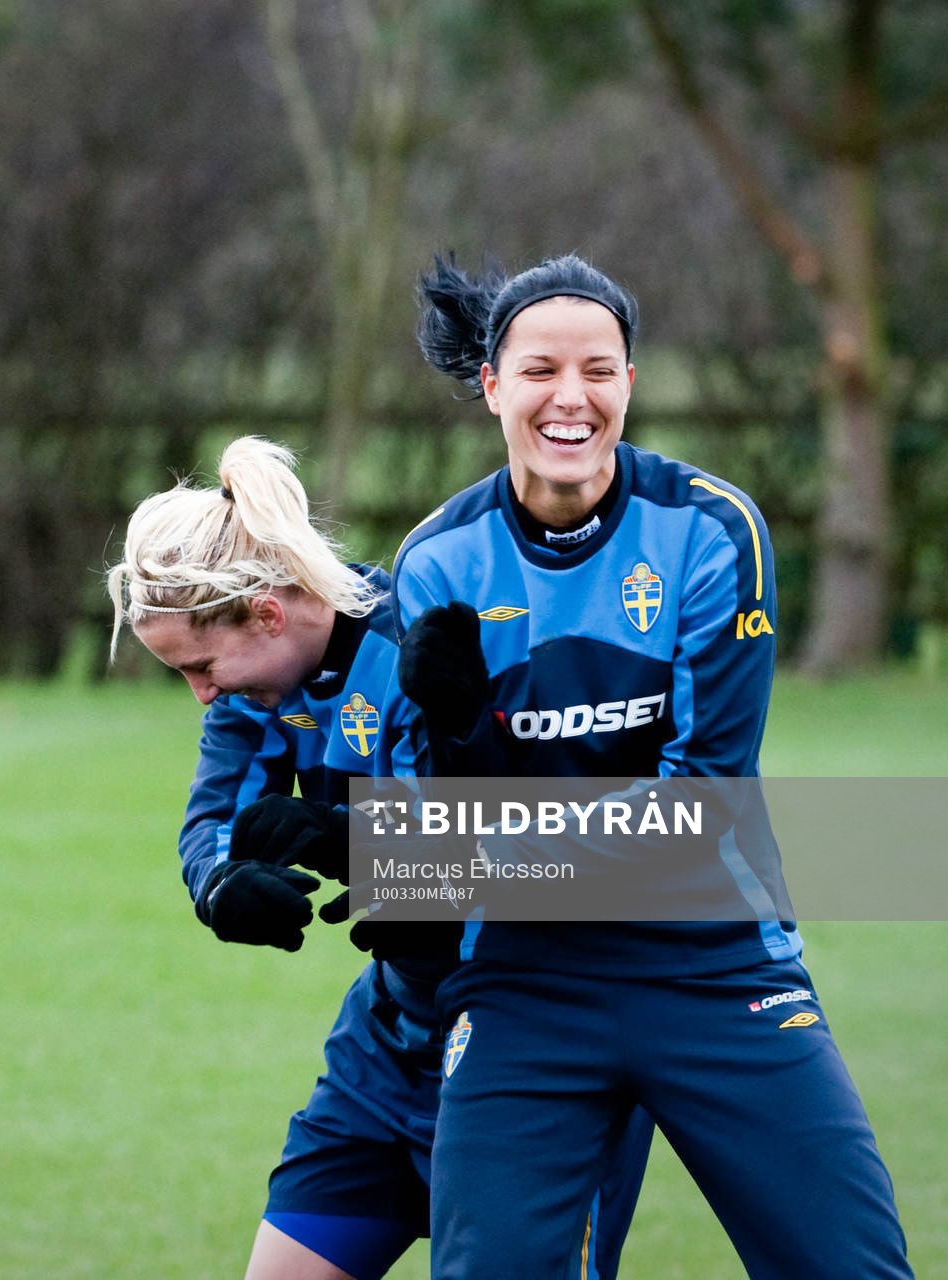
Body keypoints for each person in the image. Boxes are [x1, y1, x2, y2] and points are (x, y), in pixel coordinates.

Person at [395, 252, 913, 1278]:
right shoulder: (435, 562)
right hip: (522, 985)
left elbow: (699, 808)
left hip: (714, 966)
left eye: (598, 368)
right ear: (492, 385)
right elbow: (418, 819)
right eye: (539, 370)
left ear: (628, 381)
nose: (570, 396)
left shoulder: (711, 529)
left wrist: (430, 850)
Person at [107, 435, 651, 1280]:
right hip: (388, 1043)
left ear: (266, 613)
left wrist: (355, 848)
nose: (202, 692)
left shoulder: (424, 647)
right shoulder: (261, 690)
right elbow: (216, 813)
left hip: (531, 1039)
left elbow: (508, 854)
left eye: (201, 666)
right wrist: (221, 883)